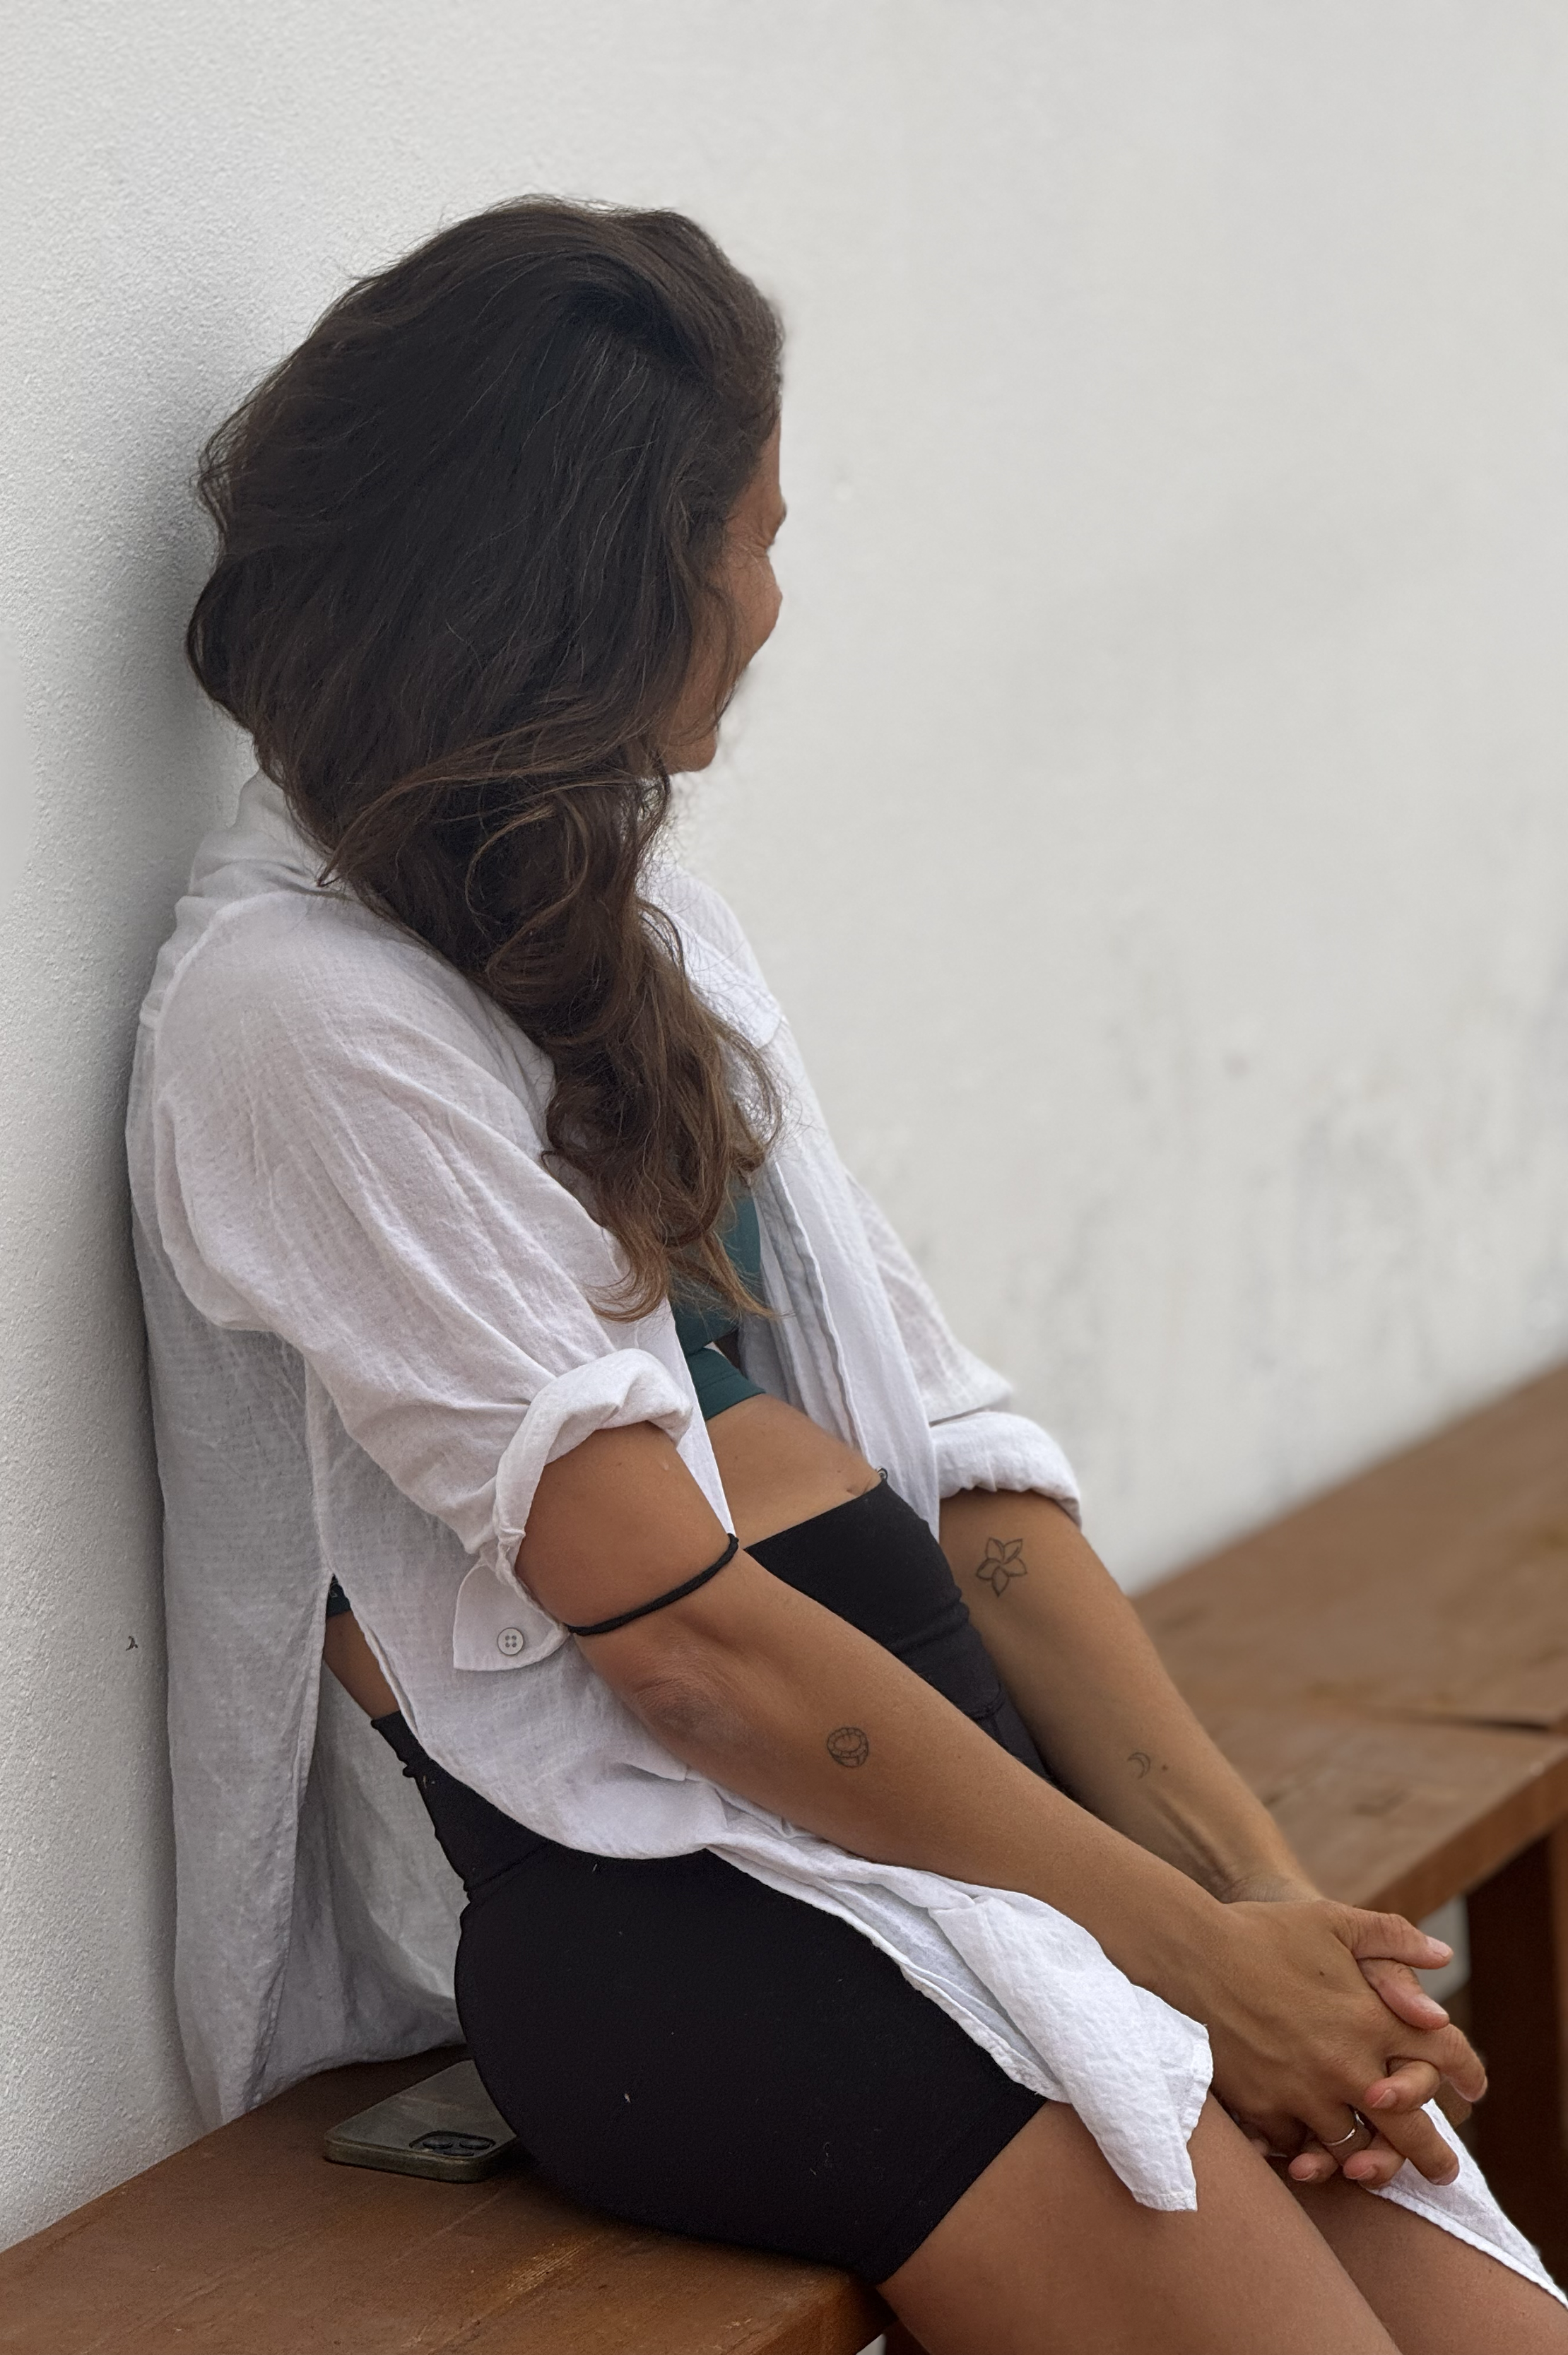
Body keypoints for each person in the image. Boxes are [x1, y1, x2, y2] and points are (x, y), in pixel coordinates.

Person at [128, 200, 1566, 2354]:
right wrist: (1184, 1946)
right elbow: (684, 1653)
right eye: (751, 534)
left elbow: (970, 1490)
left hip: (963, 1812)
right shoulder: (294, 1014)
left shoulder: (638, 928)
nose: (772, 601)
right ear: (600, 578)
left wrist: (1278, 1918)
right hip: (688, 1910)